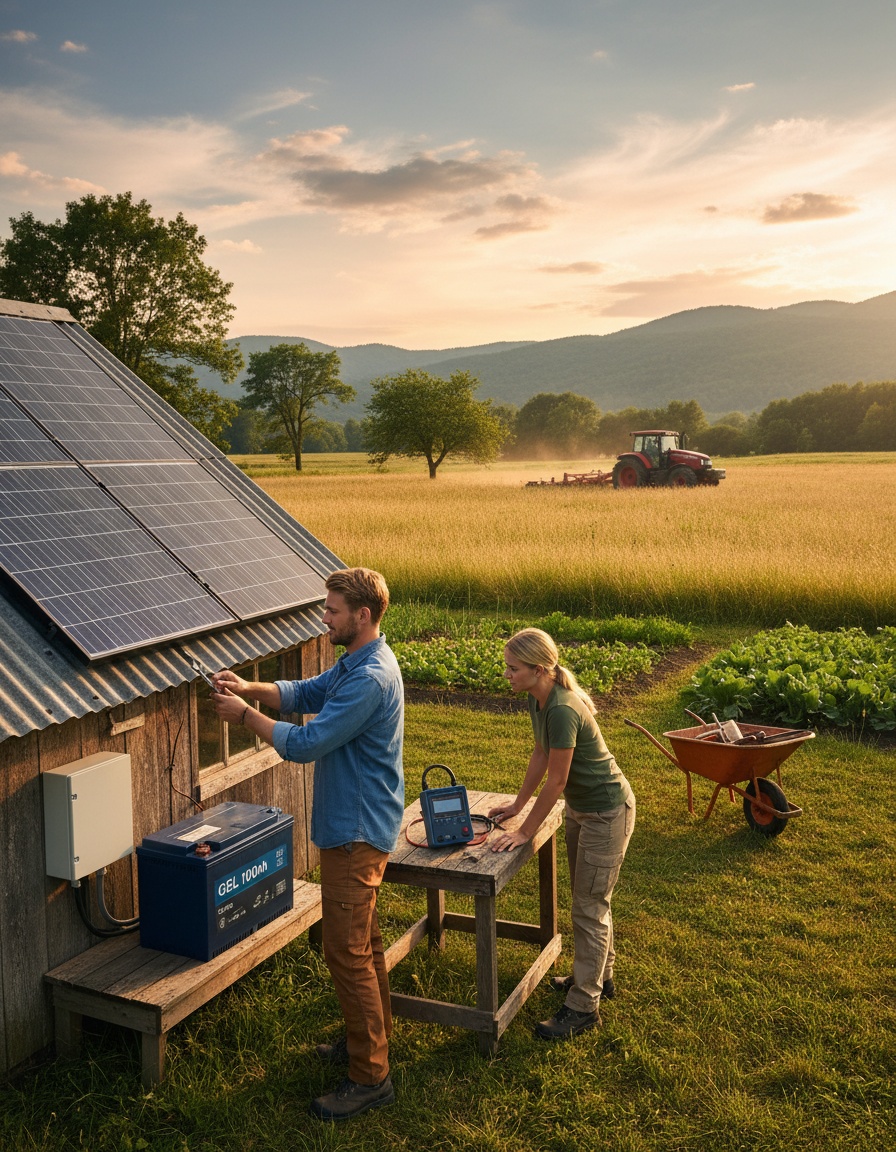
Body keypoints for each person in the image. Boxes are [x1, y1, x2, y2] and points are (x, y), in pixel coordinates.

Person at [211, 567, 403, 1121]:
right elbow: (306, 692)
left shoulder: (371, 679)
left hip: (356, 831)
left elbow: (306, 741)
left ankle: (370, 1078)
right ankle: (370, 1044)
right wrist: (252, 687)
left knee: (345, 952)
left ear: (361, 616)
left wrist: (246, 716)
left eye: (333, 609)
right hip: (357, 825)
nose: (325, 617)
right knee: (360, 944)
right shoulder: (359, 662)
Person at [489, 627, 635, 1040]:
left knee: (589, 906)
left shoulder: (562, 708)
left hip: (606, 813)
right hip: (583, 809)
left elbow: (556, 780)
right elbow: (540, 753)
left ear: (539, 669)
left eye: (513, 668)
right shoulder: (541, 701)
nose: (507, 675)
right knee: (590, 899)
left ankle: (584, 1005)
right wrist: (517, 805)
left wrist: (524, 831)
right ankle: (600, 977)